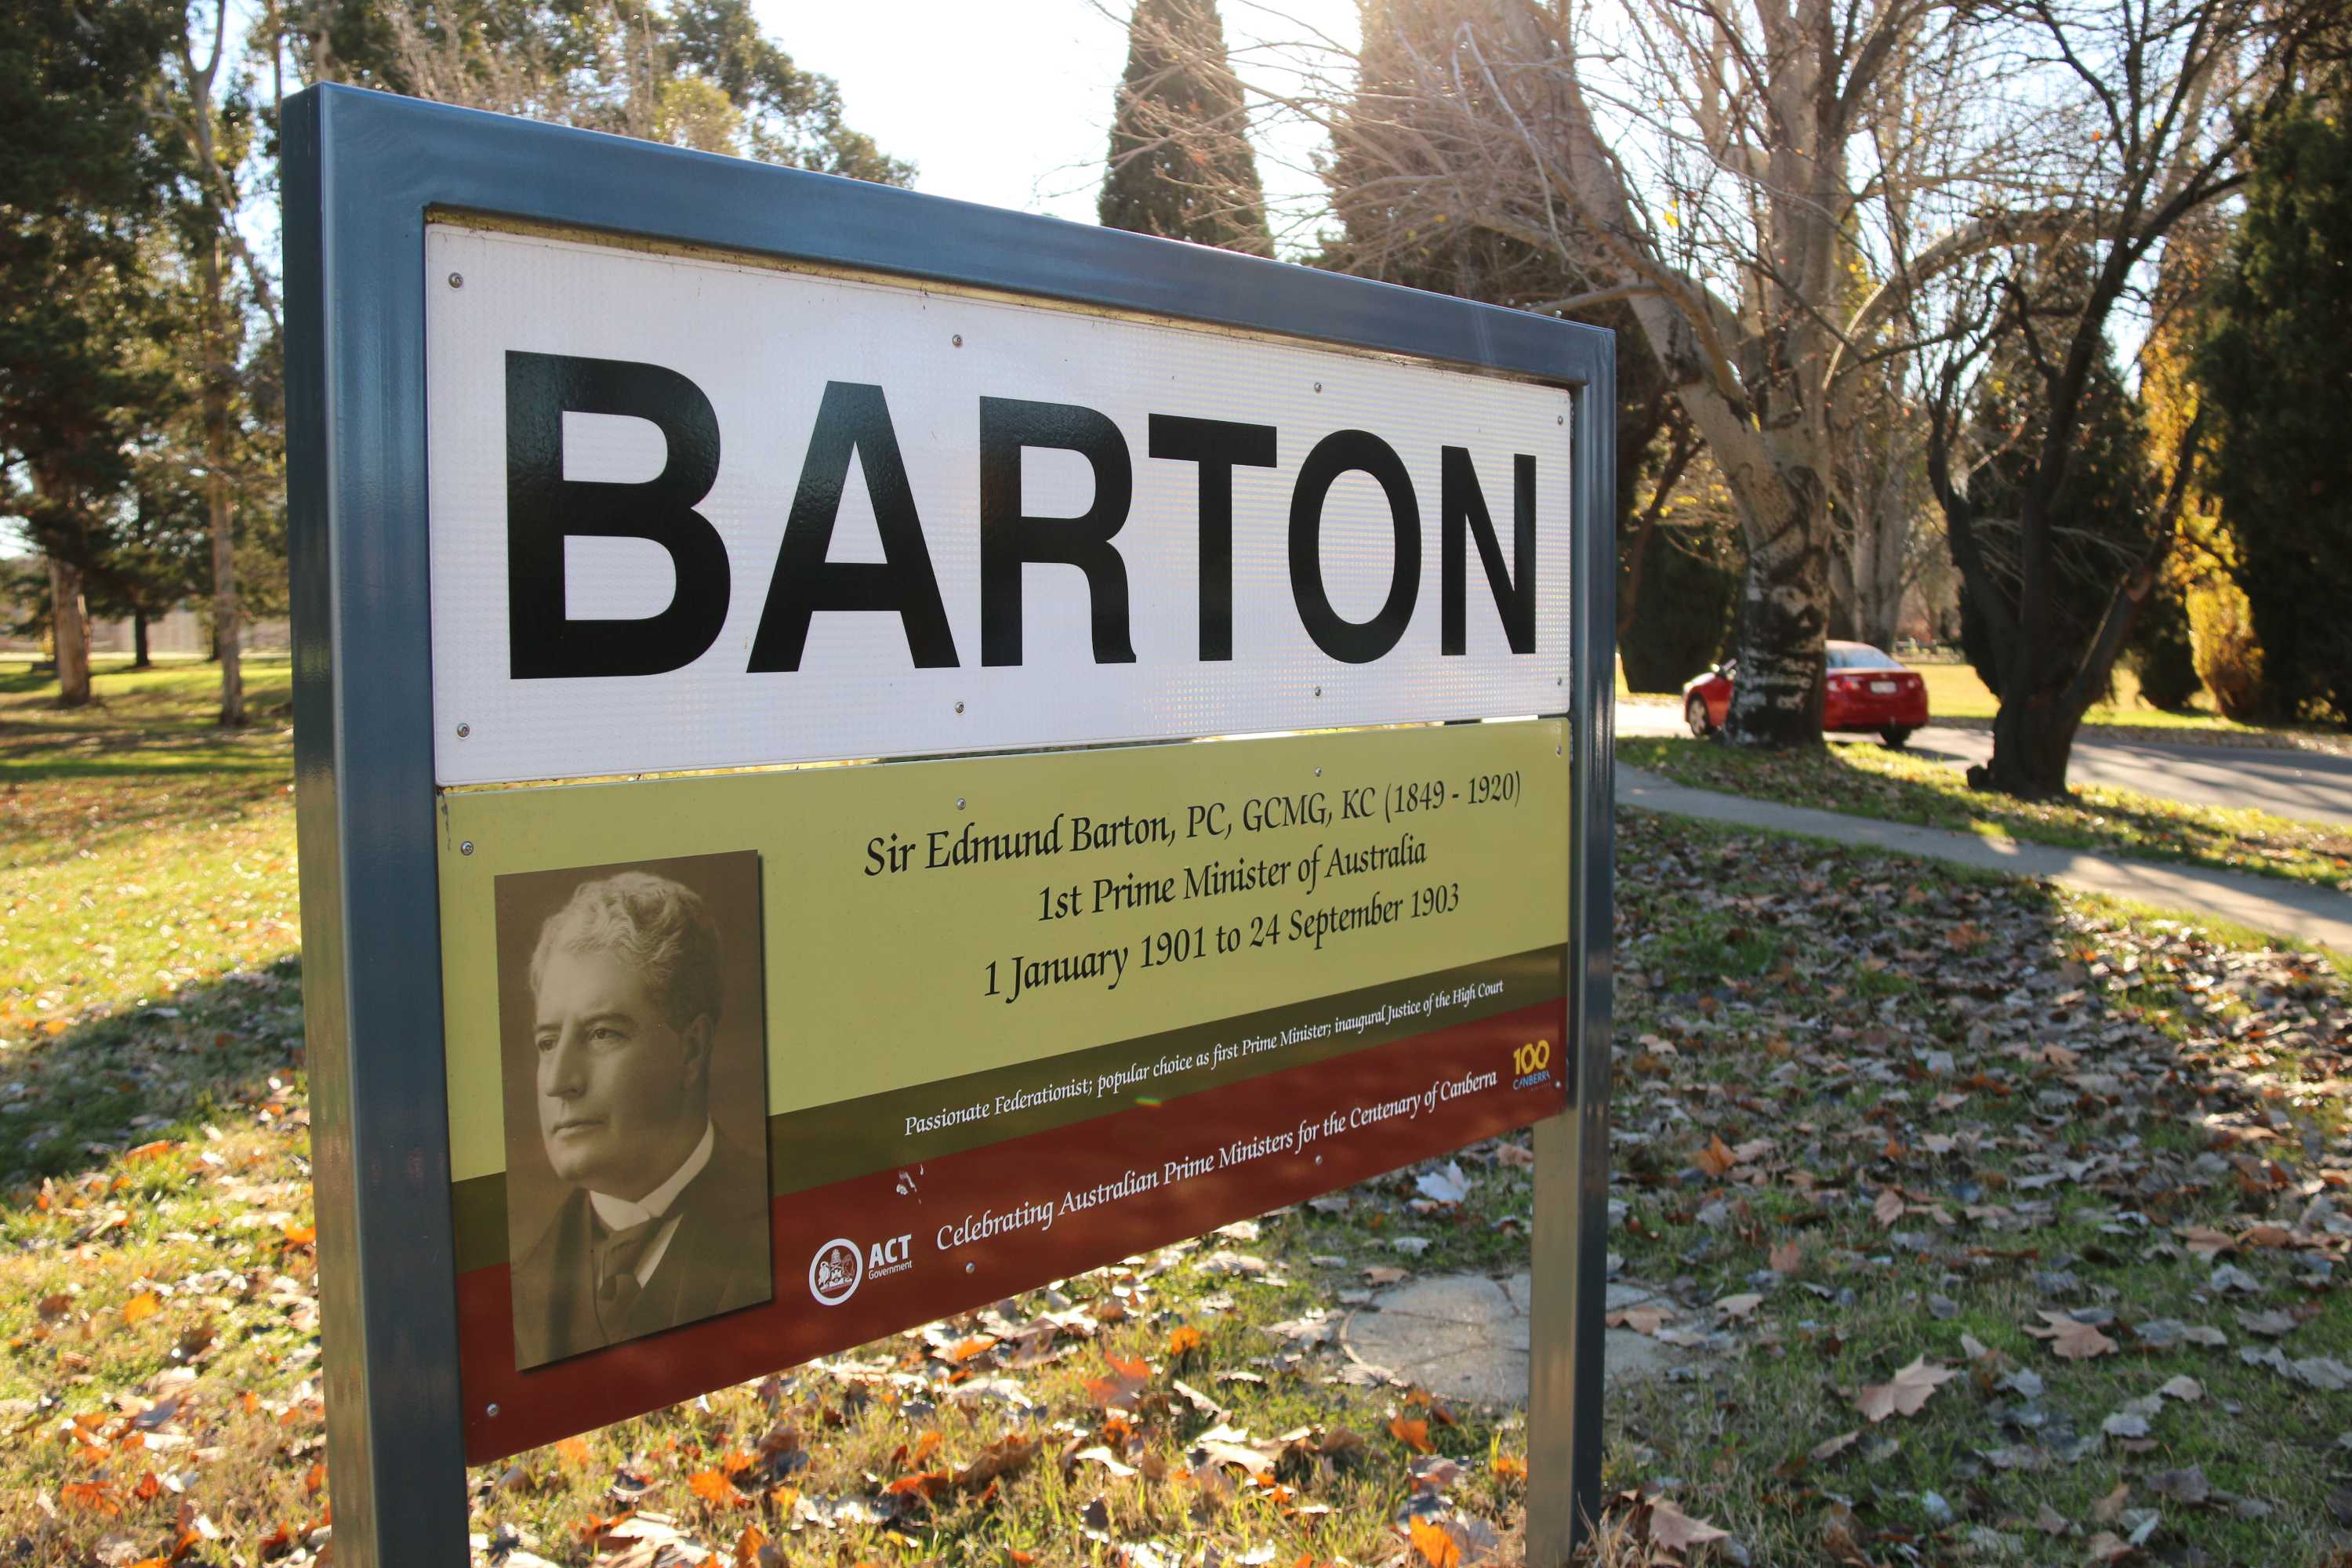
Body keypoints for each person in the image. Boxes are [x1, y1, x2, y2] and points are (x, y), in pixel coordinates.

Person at [510, 869, 770, 1369]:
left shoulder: (786, 1216)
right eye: (547, 1042)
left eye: (602, 1033)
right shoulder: (521, 1286)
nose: (557, 1080)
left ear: (691, 1049)